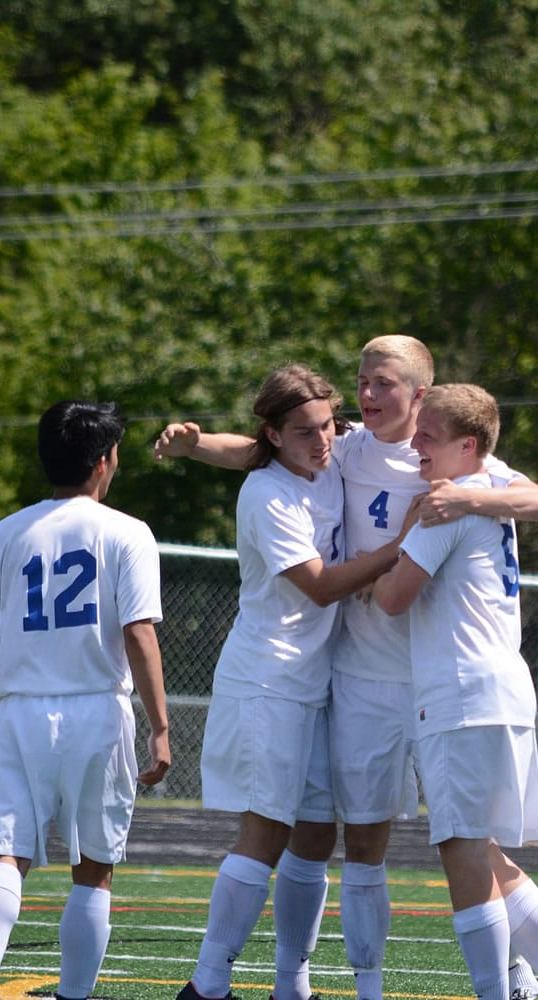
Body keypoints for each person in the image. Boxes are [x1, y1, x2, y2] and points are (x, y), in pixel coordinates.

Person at [157, 336, 538, 1000]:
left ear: (420, 394)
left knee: (475, 849)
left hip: (440, 681)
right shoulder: (346, 446)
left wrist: (466, 502)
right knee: (353, 842)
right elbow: (262, 447)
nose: (365, 395)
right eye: (360, 381)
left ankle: (536, 977)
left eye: (382, 383)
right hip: (359, 677)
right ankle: (354, 987)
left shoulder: (454, 458)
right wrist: (193, 446)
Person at [177, 364, 421, 1000]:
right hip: (268, 680)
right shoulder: (267, 494)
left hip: (315, 682)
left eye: (326, 427)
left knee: (315, 831)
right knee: (265, 833)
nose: (322, 441)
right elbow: (318, 586)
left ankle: (292, 985)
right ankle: (206, 985)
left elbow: (242, 446)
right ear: (275, 435)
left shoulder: (328, 459)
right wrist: (404, 544)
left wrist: (197, 443)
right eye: (304, 431)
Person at [369, 383, 538, 1000]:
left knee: (461, 850)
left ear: (467, 447)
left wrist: (392, 545)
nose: (416, 444)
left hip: (460, 694)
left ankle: (501, 992)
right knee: (484, 849)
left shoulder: (448, 505)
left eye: (429, 437)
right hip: (499, 688)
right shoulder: (491, 482)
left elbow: (391, 600)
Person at [0, 401, 173, 1000]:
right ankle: (74, 996)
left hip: (19, 711)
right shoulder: (128, 532)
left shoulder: (5, 533)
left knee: (5, 855)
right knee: (94, 871)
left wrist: (23, 673)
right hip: (97, 712)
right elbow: (139, 632)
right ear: (104, 461)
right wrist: (160, 726)